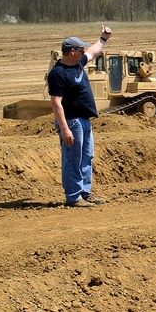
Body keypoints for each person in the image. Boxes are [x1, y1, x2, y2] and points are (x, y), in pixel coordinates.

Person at [48, 25, 112, 207]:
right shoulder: (58, 73)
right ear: (72, 51)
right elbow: (56, 102)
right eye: (80, 49)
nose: (84, 52)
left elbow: (92, 52)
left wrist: (103, 39)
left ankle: (84, 193)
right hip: (71, 121)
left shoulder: (78, 63)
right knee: (72, 158)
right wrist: (64, 128)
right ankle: (74, 196)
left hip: (84, 120)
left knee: (86, 157)